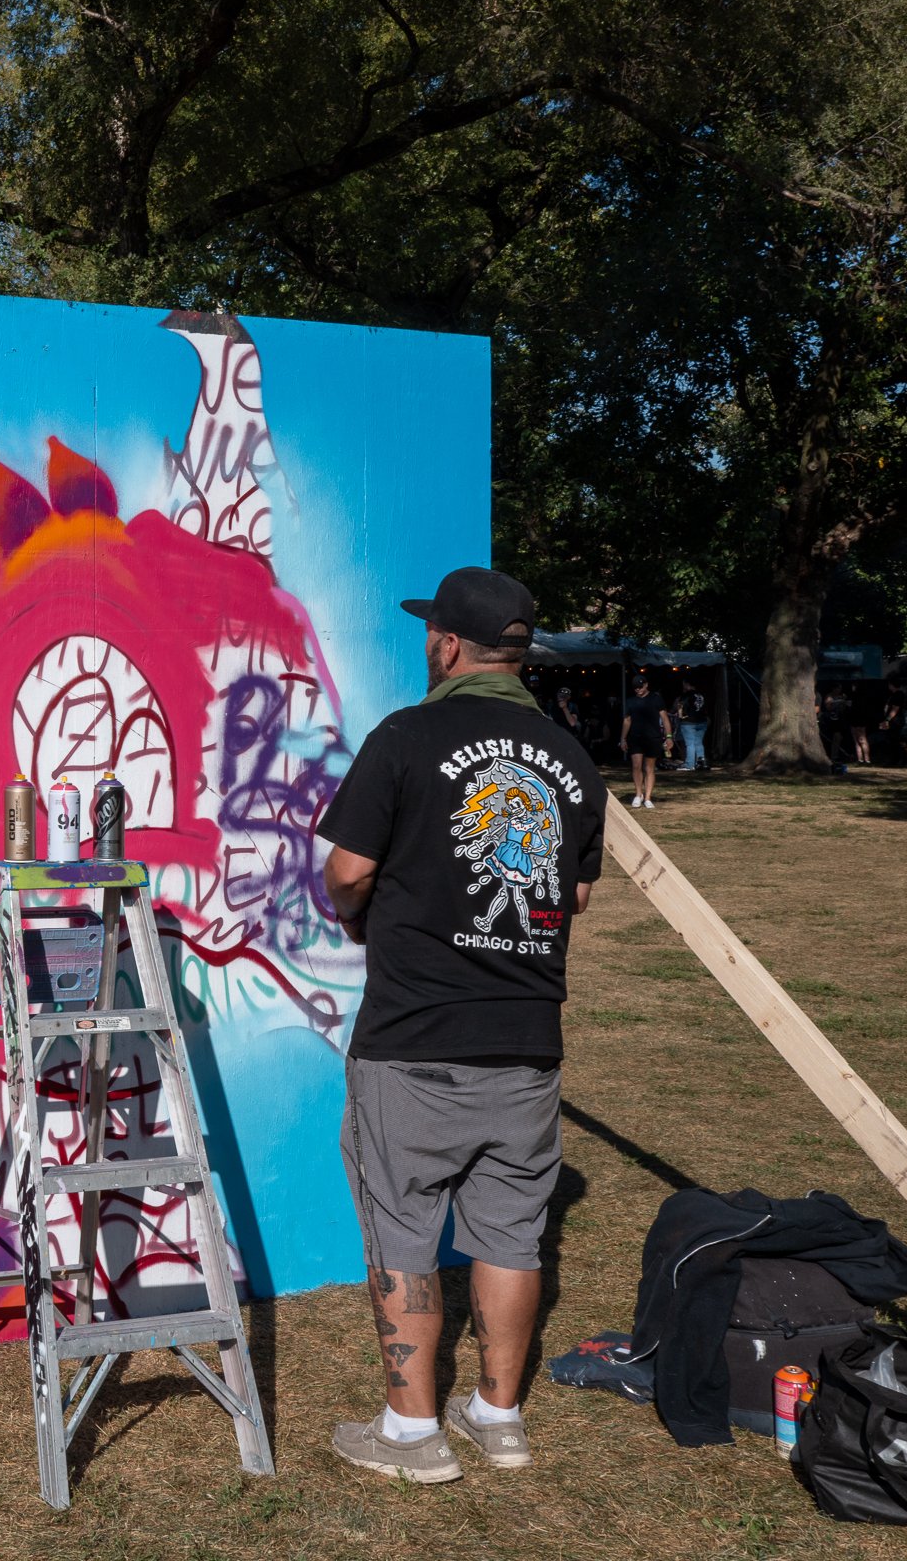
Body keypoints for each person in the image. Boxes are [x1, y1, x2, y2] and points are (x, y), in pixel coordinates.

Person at [316, 568, 604, 1483]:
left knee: (405, 1228)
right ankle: (499, 1417)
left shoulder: (406, 737)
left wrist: (374, 901)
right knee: (513, 1233)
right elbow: (579, 892)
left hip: (415, 1033)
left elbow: (347, 870)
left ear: (445, 644)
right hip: (526, 1035)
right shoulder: (571, 756)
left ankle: (411, 1434)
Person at [619, 676, 670, 808]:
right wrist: (623, 738)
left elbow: (664, 718)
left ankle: (647, 797)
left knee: (649, 768)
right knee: (636, 766)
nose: (638, 690)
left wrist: (669, 736)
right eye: (636, 688)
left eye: (640, 687)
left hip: (653, 737)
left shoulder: (656, 698)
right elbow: (627, 720)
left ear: (646, 685)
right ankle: (638, 794)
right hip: (635, 737)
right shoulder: (630, 701)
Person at [674, 681, 709, 772]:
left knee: (690, 744)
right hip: (702, 721)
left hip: (689, 722)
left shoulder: (686, 695)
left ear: (686, 684)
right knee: (699, 743)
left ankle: (690, 764)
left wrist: (680, 716)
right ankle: (701, 763)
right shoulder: (701, 695)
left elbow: (680, 707)